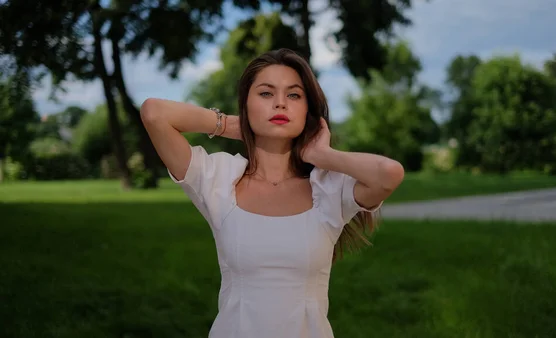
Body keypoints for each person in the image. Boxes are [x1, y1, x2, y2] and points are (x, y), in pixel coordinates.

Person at [140, 48, 404, 338]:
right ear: (246, 105)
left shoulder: (329, 188)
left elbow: (389, 173)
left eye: (294, 95)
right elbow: (154, 113)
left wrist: (323, 155)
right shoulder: (218, 178)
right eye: (266, 94)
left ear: (308, 110)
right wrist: (229, 125)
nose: (280, 103)